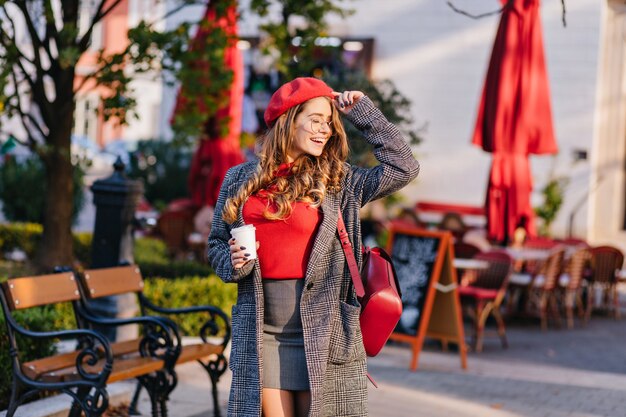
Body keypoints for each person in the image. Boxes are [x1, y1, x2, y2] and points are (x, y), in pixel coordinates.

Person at [207, 77, 420, 417]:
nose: (326, 131)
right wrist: (231, 262)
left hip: (323, 329)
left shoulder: (339, 182)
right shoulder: (238, 179)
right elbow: (216, 242)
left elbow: (404, 166)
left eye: (329, 124)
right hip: (261, 330)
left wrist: (363, 114)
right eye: (316, 120)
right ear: (289, 121)